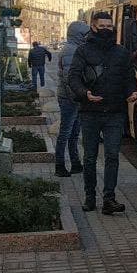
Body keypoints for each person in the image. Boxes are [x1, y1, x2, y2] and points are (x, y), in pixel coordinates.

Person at [67, 12, 137, 215]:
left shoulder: (121, 52)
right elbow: (73, 78)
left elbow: (129, 76)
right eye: (102, 26)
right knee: (89, 157)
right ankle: (90, 198)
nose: (107, 29)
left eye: (110, 26)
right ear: (94, 27)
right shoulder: (83, 51)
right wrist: (84, 93)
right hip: (90, 112)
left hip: (115, 112)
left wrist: (132, 91)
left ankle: (109, 199)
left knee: (112, 156)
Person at [55, 21, 90, 177]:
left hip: (75, 98)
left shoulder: (75, 49)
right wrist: (77, 97)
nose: (87, 37)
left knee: (74, 133)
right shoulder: (71, 50)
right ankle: (60, 165)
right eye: (85, 34)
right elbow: (70, 78)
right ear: (78, 35)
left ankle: (75, 163)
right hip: (70, 99)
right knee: (66, 132)